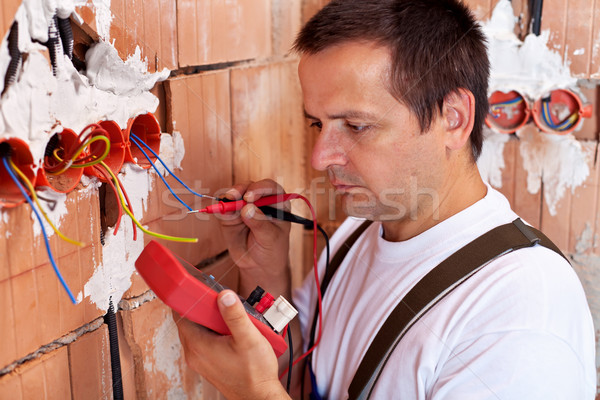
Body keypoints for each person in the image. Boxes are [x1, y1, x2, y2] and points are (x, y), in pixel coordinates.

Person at [176, 0, 596, 398]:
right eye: (317, 123)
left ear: (454, 119)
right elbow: (301, 371)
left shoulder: (521, 318)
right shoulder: (361, 229)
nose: (320, 158)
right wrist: (267, 273)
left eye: (356, 126)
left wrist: (253, 397)